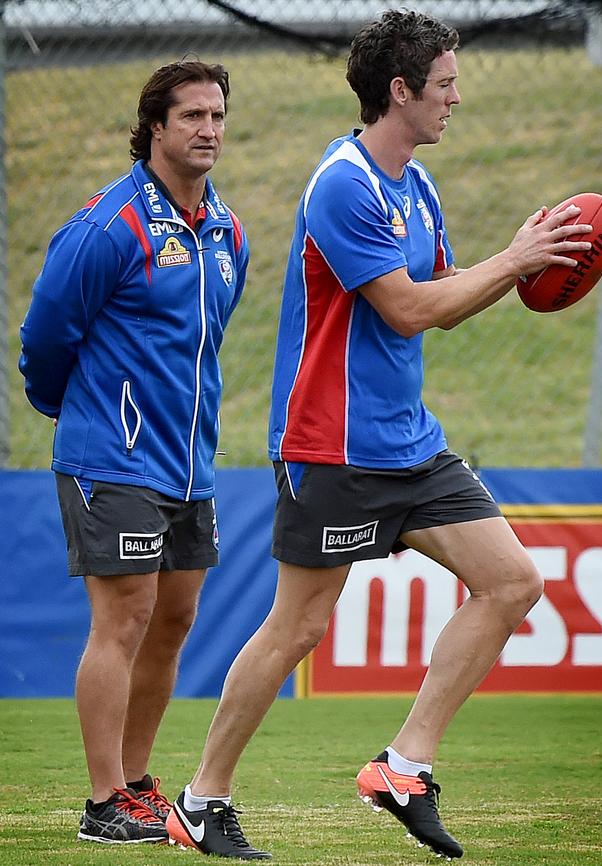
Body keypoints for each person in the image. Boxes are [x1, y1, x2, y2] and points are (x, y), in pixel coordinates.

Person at [165, 10, 593, 861]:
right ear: (398, 92)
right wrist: (511, 264)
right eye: (443, 85)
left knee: (511, 583)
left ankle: (403, 766)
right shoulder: (345, 183)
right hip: (332, 445)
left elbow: (446, 303)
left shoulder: (417, 186)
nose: (455, 100)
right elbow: (406, 309)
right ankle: (200, 801)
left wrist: (523, 263)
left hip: (409, 443)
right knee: (298, 628)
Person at [19, 59, 252, 847]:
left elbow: (207, 343)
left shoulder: (228, 231)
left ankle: (138, 784)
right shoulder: (109, 224)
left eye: (217, 116)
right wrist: (77, 414)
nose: (208, 130)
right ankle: (99, 801)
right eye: (191, 116)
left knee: (174, 619)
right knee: (124, 617)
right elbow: (45, 335)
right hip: (110, 459)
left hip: (190, 465)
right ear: (154, 126)